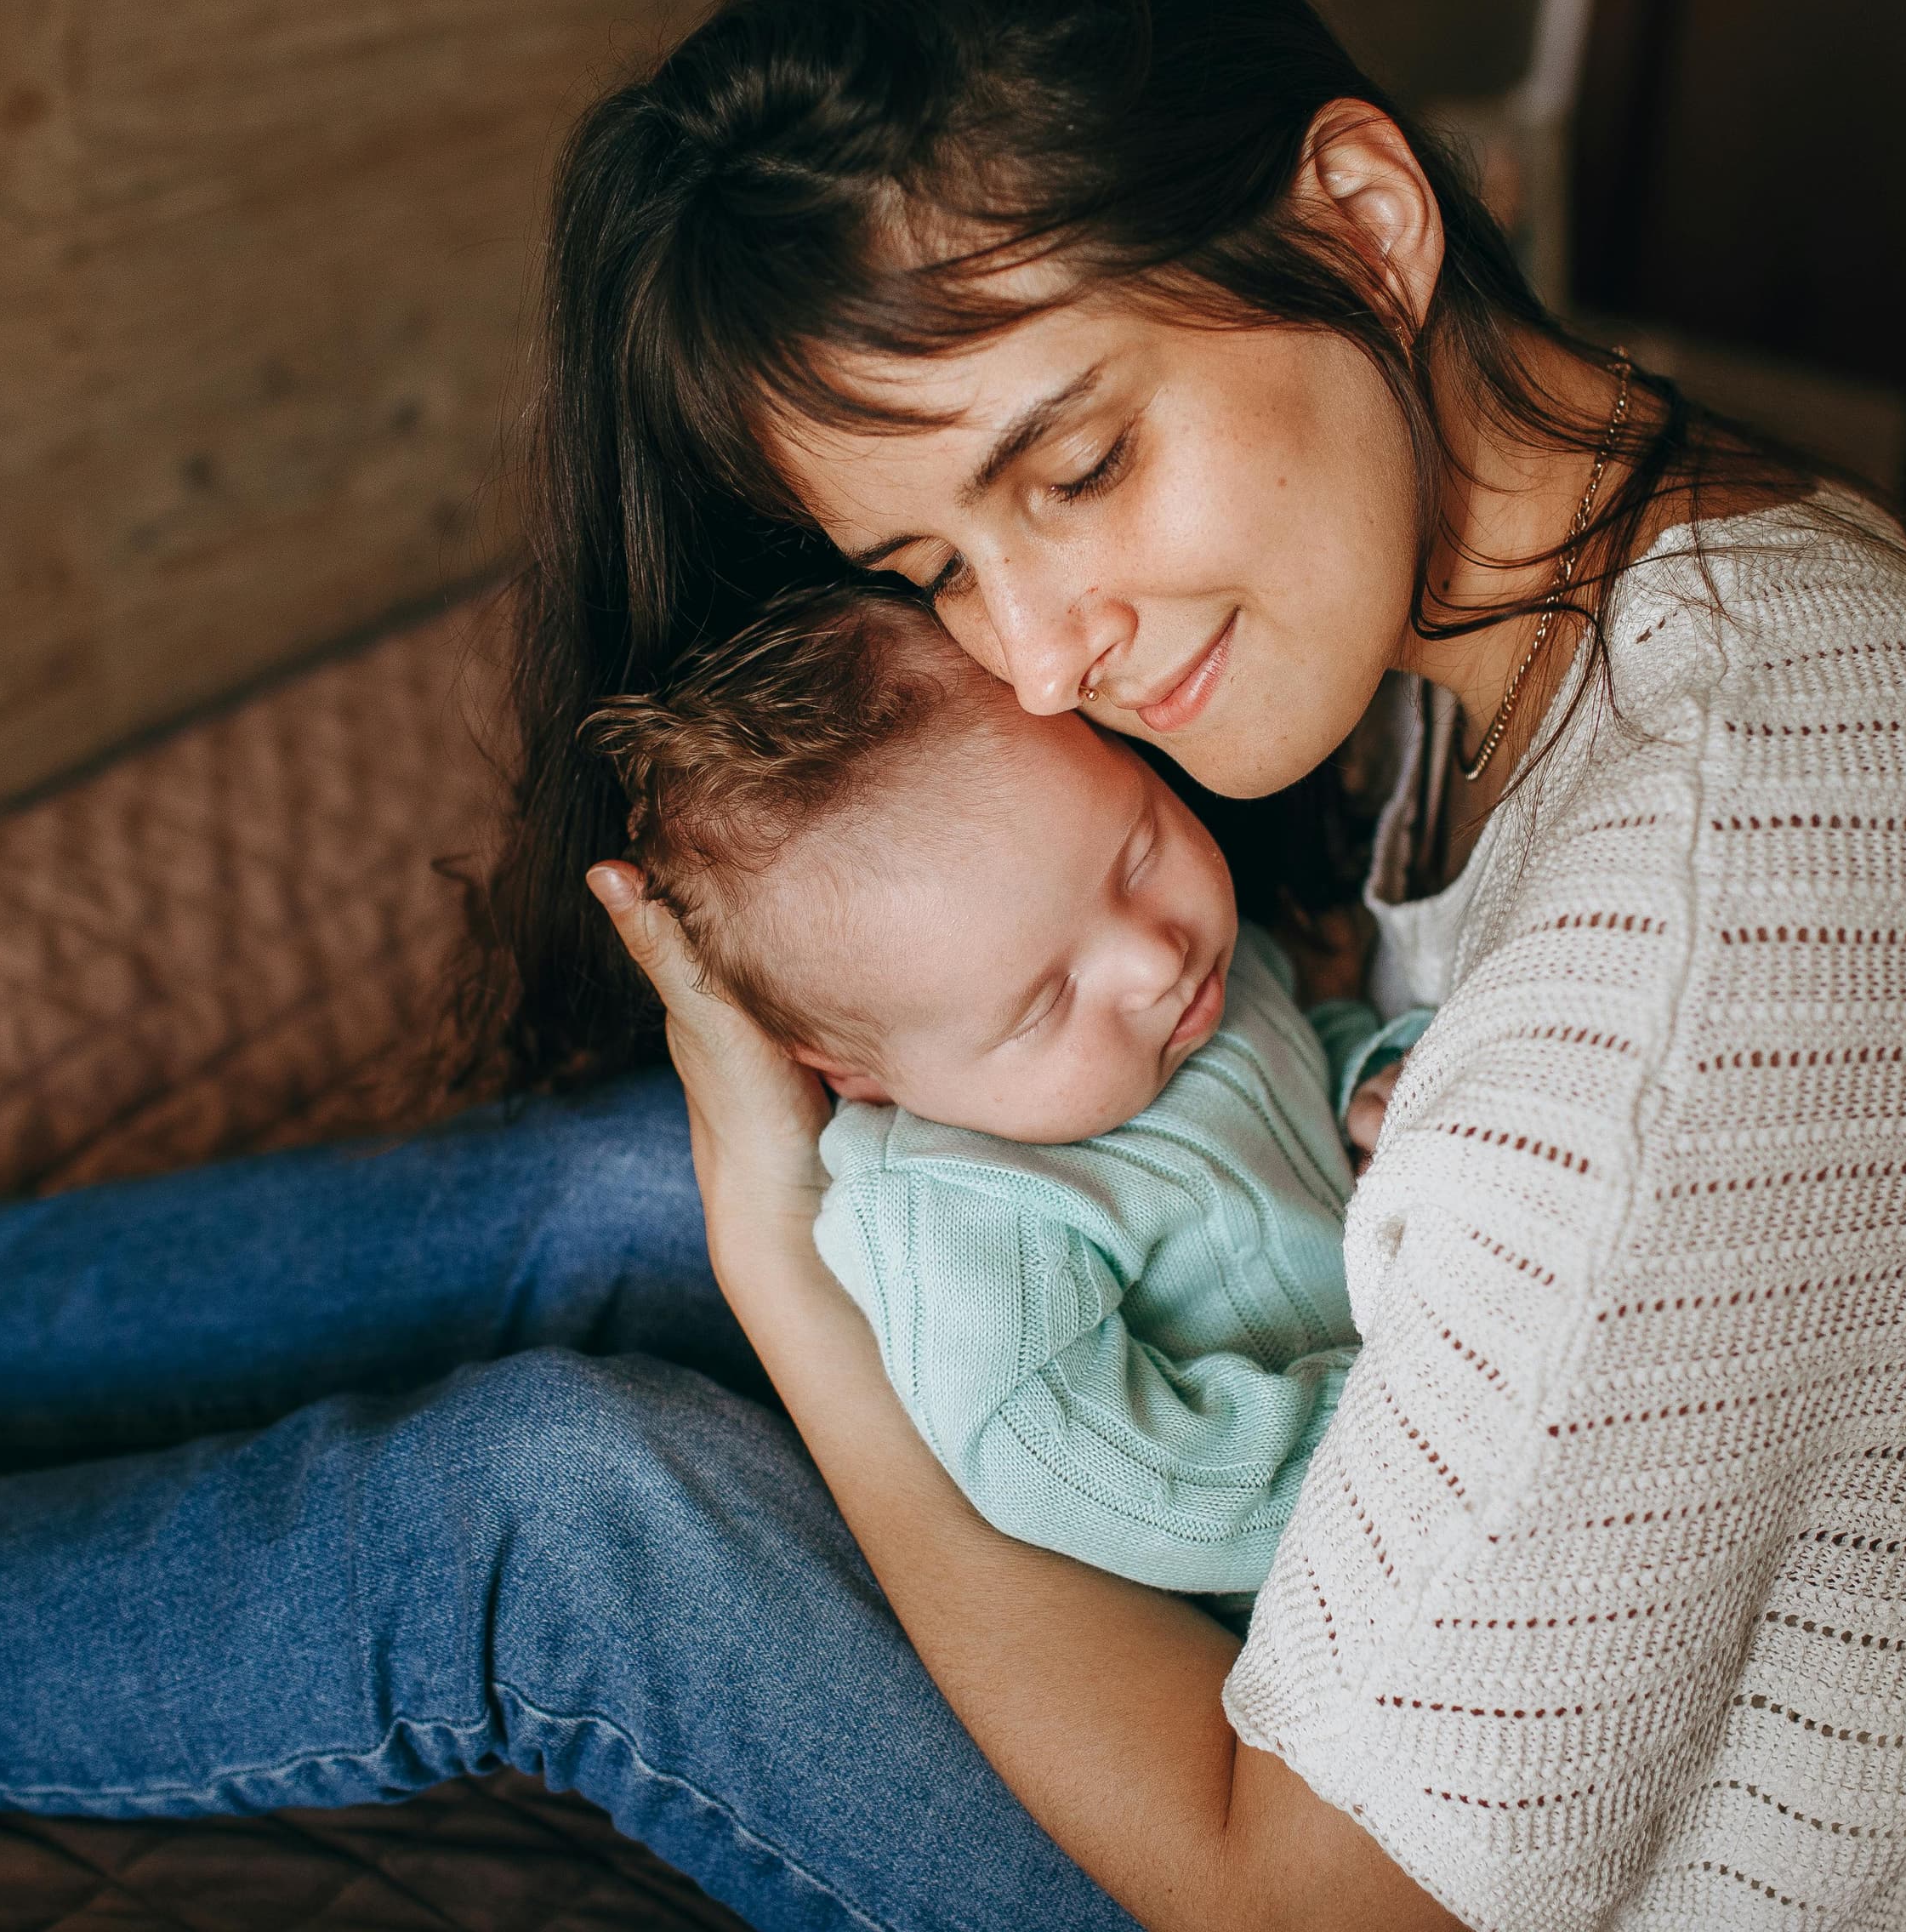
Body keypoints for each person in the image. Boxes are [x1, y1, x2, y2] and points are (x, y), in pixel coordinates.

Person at [0, 0, 1906, 1932]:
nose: (1042, 663)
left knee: (566, 1506)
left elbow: (1302, 1893)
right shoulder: (1663, 536)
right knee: (622, 1177)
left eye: (1075, 460)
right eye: (935, 567)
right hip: (1518, 1627)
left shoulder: (1677, 997)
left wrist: (799, 1293)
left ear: (1365, 213)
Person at [583, 583, 1425, 1598]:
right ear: (857, 1074)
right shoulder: (960, 1208)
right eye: (1044, 1003)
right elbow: (1088, 1467)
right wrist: (1407, 1432)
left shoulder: (1188, 985)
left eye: (1140, 849)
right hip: (1342, 1561)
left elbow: (1292, 1048)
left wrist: (1370, 1076)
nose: (1151, 957)